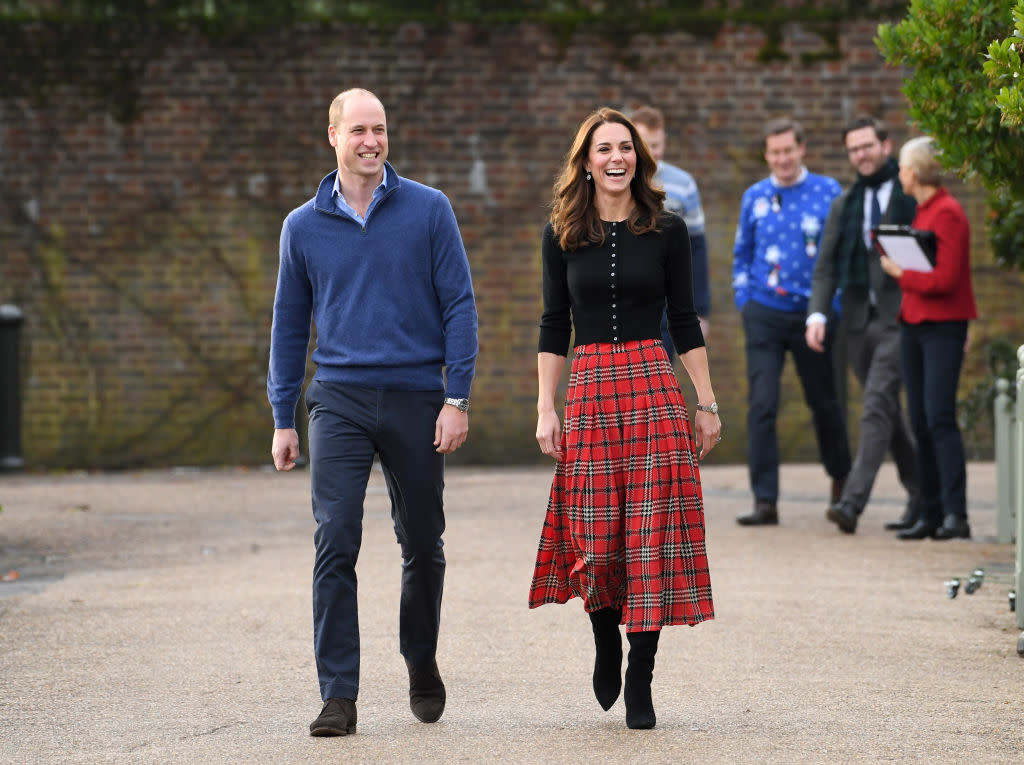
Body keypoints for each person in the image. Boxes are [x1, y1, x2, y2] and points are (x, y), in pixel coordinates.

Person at [267, 88, 478, 737]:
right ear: (332, 135)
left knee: (423, 542)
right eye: (358, 129)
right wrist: (282, 414)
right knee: (335, 539)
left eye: (379, 130)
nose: (371, 141)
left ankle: (420, 656)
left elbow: (459, 305)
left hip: (417, 394)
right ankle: (339, 692)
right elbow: (288, 324)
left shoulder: (429, 210)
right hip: (339, 396)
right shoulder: (302, 226)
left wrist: (456, 396)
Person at [529, 107, 721, 731]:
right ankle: (605, 638)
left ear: (639, 158)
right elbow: (555, 324)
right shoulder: (560, 232)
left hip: (651, 390)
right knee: (595, 533)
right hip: (588, 390)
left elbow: (686, 321)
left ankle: (641, 672)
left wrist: (707, 401)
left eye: (626, 148)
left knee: (648, 534)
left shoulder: (668, 228)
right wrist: (544, 406)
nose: (617, 158)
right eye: (604, 148)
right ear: (586, 160)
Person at [731, 118, 851, 526]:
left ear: (802, 150)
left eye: (788, 150)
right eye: (774, 152)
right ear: (767, 155)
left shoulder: (828, 191)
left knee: (824, 401)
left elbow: (840, 255)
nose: (782, 158)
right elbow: (742, 252)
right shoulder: (755, 196)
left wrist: (830, 306)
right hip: (763, 312)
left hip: (813, 314)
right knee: (762, 404)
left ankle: (841, 482)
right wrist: (745, 300)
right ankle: (765, 501)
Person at [806, 116, 921, 535]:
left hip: (900, 317)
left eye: (866, 146)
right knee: (888, 411)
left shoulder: (911, 196)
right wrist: (817, 314)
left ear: (885, 146)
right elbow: (826, 267)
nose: (861, 155)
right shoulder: (845, 203)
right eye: (853, 149)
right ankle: (922, 492)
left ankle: (851, 502)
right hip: (856, 322)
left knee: (875, 405)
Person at [879, 136, 977, 540]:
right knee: (919, 419)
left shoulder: (948, 213)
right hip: (915, 323)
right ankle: (930, 511)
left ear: (914, 172)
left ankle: (956, 514)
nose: (900, 173)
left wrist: (902, 273)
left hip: (943, 326)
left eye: (902, 166)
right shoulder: (922, 212)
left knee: (939, 417)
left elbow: (946, 278)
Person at [630, 105, 712, 354]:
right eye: (644, 145)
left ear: (664, 142)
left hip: (668, 301)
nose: (651, 153)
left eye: (655, 145)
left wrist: (701, 309)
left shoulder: (683, 184)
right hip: (626, 300)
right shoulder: (615, 181)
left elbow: (696, 248)